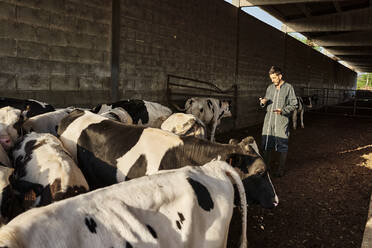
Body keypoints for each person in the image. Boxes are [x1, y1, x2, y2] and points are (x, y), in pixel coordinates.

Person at [259, 66, 298, 177]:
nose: (273, 80)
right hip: (269, 121)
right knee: (266, 144)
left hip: (281, 121)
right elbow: (265, 101)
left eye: (274, 78)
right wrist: (263, 102)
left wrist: (283, 110)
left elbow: (294, 104)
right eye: (271, 78)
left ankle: (280, 170)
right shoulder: (270, 88)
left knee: (282, 144)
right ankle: (266, 168)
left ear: (280, 76)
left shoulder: (289, 88)